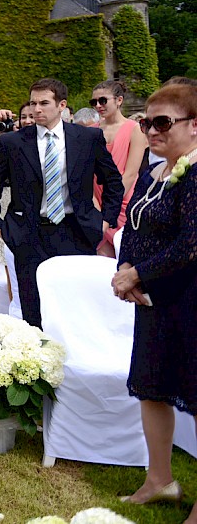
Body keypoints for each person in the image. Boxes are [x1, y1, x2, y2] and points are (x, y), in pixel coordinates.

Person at [111, 83, 197, 516]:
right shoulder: (156, 170)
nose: (151, 131)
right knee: (152, 390)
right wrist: (123, 275)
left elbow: (191, 244)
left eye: (162, 122)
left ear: (195, 126)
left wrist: (136, 273)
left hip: (189, 303)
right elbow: (135, 224)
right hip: (153, 303)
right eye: (147, 122)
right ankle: (160, 480)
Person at [0, 78, 123, 328]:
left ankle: (75, 361)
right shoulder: (12, 142)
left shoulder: (88, 138)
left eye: (44, 103)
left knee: (76, 304)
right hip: (28, 233)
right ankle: (37, 360)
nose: (37, 109)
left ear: (62, 105)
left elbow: (112, 182)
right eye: (33, 103)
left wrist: (105, 222)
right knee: (33, 307)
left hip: (76, 231)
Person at [91, 80, 148, 257]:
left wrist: (110, 207)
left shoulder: (135, 129)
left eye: (103, 100)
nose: (98, 106)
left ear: (119, 100)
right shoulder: (91, 131)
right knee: (101, 257)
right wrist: (96, 208)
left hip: (124, 198)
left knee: (126, 254)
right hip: (96, 199)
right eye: (94, 102)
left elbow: (131, 173)